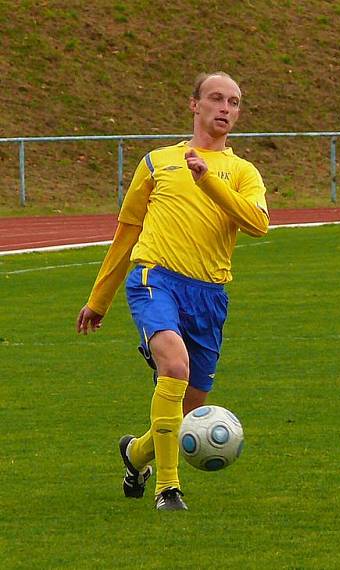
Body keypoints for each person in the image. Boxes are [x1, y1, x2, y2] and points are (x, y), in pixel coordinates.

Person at [76, 71, 269, 511]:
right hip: (154, 280)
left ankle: (134, 454)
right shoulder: (156, 162)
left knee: (186, 413)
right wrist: (98, 299)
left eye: (234, 102)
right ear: (194, 105)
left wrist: (208, 180)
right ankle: (168, 488)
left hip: (210, 295)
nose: (225, 108)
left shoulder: (243, 172)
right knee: (174, 367)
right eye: (216, 99)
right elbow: (126, 234)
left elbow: (258, 224)